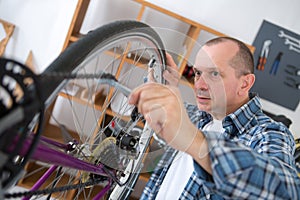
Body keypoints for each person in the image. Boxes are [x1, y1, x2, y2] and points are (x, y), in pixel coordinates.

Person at [128, 37, 300, 199]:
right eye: (197, 73)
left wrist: (194, 140)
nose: (200, 85)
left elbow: (286, 191)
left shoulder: (269, 133)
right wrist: (161, 89)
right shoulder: (195, 116)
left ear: (245, 83)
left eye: (214, 74)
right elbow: (160, 119)